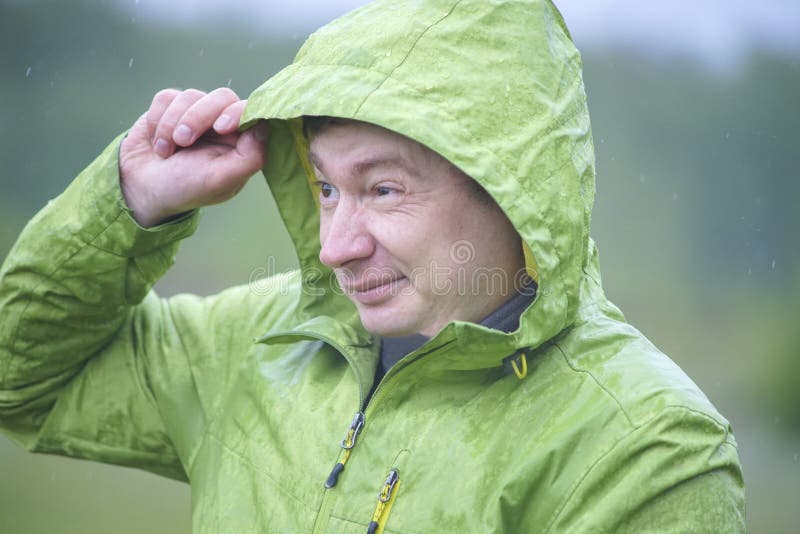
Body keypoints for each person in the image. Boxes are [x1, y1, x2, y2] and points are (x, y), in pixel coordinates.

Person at [0, 0, 745, 532]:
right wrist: (131, 202)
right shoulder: (264, 339)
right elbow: (21, 379)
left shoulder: (646, 452)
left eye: (383, 190)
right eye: (326, 188)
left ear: (513, 193)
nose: (335, 247)